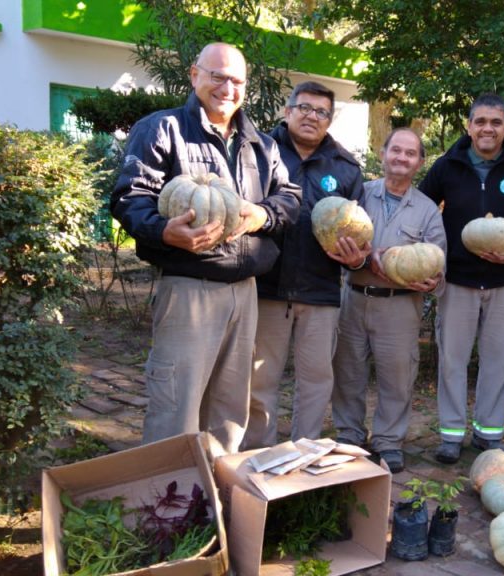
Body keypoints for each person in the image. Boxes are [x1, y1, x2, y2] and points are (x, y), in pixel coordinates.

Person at [110, 43, 301, 451]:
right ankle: (168, 502)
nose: (227, 87)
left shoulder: (261, 145)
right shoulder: (163, 129)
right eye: (217, 76)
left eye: (236, 80)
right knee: (176, 406)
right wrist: (164, 230)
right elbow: (129, 198)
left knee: (230, 410)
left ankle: (215, 497)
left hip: (245, 290)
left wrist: (260, 215)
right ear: (195, 75)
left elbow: (290, 198)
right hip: (188, 287)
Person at [418, 93, 504, 464]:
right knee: (452, 360)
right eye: (480, 121)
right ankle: (451, 435)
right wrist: (428, 258)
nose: (487, 128)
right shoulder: (447, 165)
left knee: (498, 359)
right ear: (469, 126)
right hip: (457, 280)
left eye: (495, 122)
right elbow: (424, 209)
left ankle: (489, 434)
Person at [244, 81, 369, 449]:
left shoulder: (345, 168)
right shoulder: (258, 151)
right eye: (305, 108)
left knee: (316, 380)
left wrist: (356, 257)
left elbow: (361, 234)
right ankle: (257, 455)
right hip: (267, 286)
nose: (312, 116)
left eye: (322, 112)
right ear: (288, 111)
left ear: (330, 120)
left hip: (320, 292)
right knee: (260, 381)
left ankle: (302, 454)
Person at [331, 128, 446, 473]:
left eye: (410, 153)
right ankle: (349, 434)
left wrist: (432, 281)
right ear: (382, 154)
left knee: (398, 377)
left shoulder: (427, 211)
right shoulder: (359, 196)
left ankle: (388, 441)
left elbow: (438, 263)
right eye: (396, 150)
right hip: (353, 297)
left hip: (400, 304)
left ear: (420, 162)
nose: (402, 158)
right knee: (347, 371)